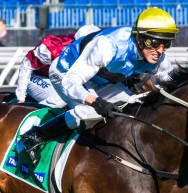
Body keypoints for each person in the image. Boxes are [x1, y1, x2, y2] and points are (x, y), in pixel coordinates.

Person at [21, 7, 179, 165]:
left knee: (133, 104)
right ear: (139, 38)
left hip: (99, 79)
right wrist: (96, 101)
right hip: (65, 73)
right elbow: (71, 81)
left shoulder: (160, 60)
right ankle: (37, 135)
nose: (160, 51)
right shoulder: (108, 45)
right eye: (155, 42)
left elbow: (173, 86)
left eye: (166, 44)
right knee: (91, 112)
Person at [15, 25, 100, 108]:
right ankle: (34, 119)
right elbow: (26, 66)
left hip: (60, 77)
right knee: (63, 97)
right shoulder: (52, 46)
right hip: (36, 75)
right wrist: (21, 97)